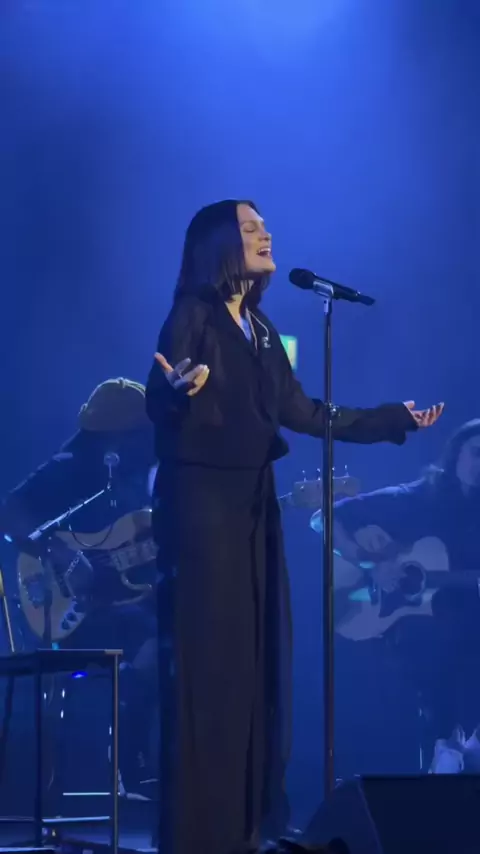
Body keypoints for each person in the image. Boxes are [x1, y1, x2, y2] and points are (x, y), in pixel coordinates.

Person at [145, 198, 443, 854]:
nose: (266, 234)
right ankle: (198, 833)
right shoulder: (192, 315)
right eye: (250, 228)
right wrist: (173, 391)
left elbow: (304, 412)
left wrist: (390, 419)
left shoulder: (259, 327)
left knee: (257, 663)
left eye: (264, 226)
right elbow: (160, 389)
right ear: (219, 244)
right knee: (209, 667)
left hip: (254, 507)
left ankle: (246, 828)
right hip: (202, 508)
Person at [0, 377, 158, 793]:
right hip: (73, 613)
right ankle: (129, 762)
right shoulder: (71, 463)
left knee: (176, 630)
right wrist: (65, 555)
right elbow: (11, 512)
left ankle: (141, 758)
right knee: (159, 640)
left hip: (125, 601)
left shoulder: (145, 470)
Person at [312, 419, 480, 776]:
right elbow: (326, 517)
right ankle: (445, 754)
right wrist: (370, 565)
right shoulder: (417, 497)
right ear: (456, 454)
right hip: (415, 632)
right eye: (477, 453)